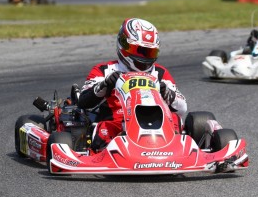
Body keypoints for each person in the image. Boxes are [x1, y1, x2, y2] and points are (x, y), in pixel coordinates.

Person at [73, 18, 187, 153]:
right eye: (140, 51)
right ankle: (115, 150)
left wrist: (167, 93)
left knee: (176, 120)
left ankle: (174, 147)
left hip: (159, 123)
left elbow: (182, 108)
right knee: (103, 130)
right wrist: (105, 85)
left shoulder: (160, 73)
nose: (144, 58)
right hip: (118, 123)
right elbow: (83, 102)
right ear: (123, 44)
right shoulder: (105, 70)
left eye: (149, 52)